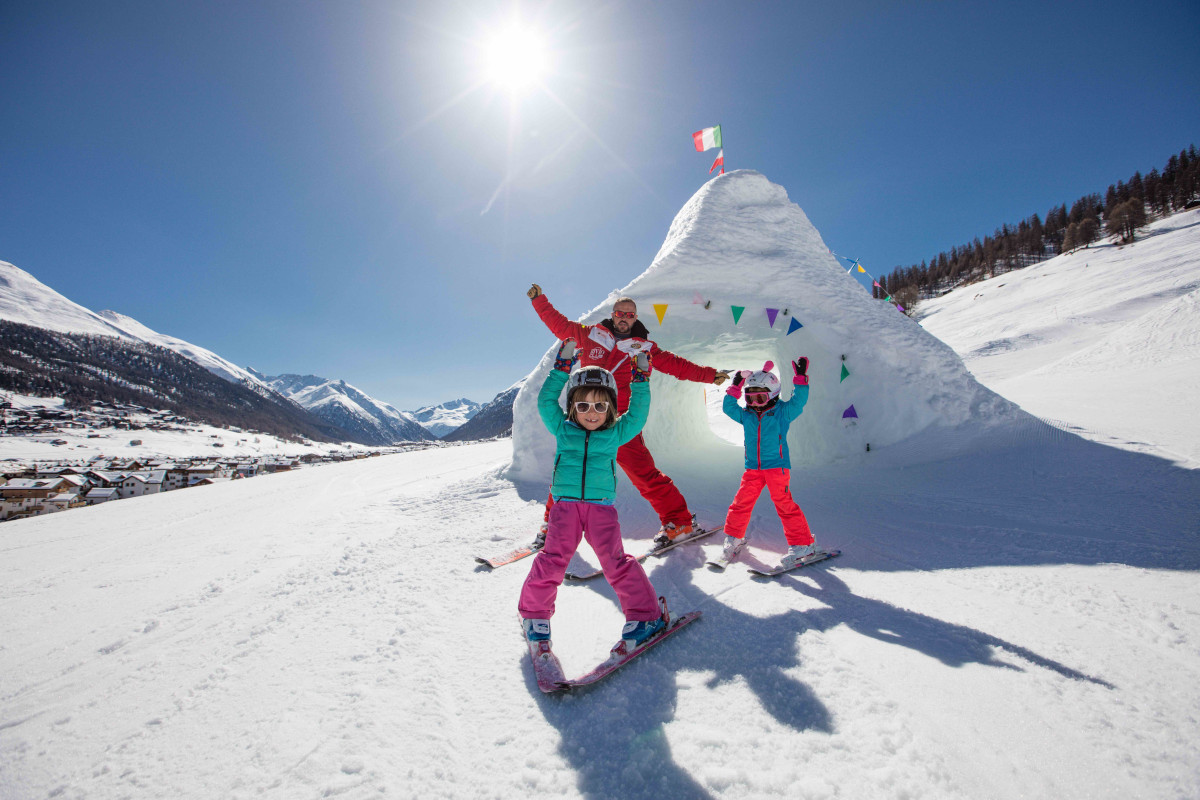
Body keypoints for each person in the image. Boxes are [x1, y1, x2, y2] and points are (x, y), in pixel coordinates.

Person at [527, 284, 728, 545]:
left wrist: (710, 375)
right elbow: (559, 325)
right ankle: (554, 524)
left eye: (630, 314)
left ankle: (679, 522)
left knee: (644, 474)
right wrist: (539, 301)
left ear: (636, 317)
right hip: (583, 417)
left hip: (618, 423)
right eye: (620, 313)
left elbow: (676, 366)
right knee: (568, 470)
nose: (624, 318)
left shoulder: (644, 348)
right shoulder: (589, 335)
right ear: (613, 315)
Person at [519, 338, 668, 649]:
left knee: (615, 561)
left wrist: (640, 378)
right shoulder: (563, 428)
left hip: (601, 508)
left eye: (600, 406)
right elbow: (546, 401)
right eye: (583, 405)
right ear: (572, 407)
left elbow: (637, 415)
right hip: (564, 509)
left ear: (611, 407)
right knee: (552, 559)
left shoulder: (616, 432)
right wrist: (562, 367)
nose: (591, 413)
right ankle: (535, 616)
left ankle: (645, 616)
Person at [719, 358, 821, 570]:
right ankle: (734, 538)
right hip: (753, 468)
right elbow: (728, 408)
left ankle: (803, 545)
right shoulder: (746, 414)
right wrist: (736, 386)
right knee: (740, 503)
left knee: (785, 505)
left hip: (777, 467)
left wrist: (800, 380)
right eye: (750, 397)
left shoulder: (782, 413)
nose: (754, 403)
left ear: (773, 395)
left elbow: (798, 402)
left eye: (760, 397)